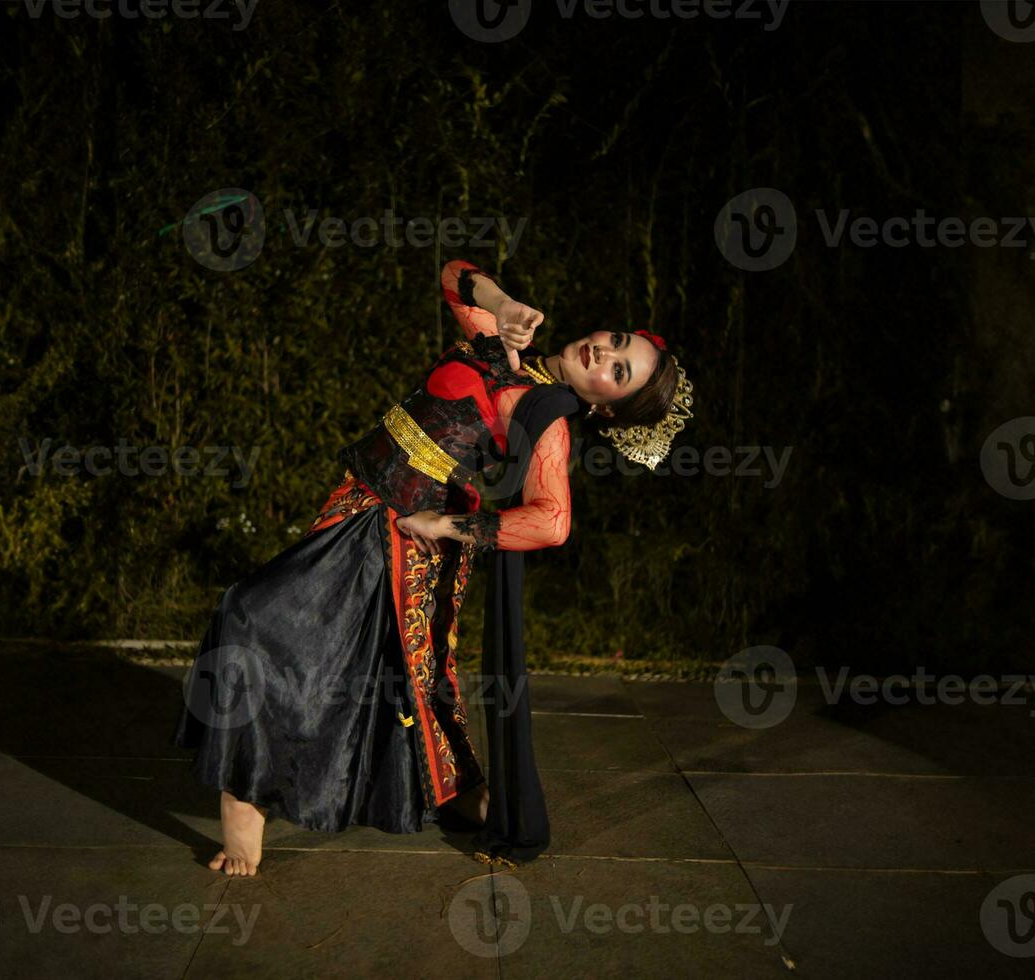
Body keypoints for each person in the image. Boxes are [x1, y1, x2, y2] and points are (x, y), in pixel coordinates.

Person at [173, 258, 694, 876]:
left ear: (608, 408)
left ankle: (247, 808)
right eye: (615, 342)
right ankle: (462, 794)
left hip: (400, 537)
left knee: (258, 617)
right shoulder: (502, 343)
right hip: (360, 504)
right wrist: (501, 301)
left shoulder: (548, 415)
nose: (601, 353)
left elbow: (552, 520)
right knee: (384, 673)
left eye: (617, 370)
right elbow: (453, 273)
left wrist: (449, 527)